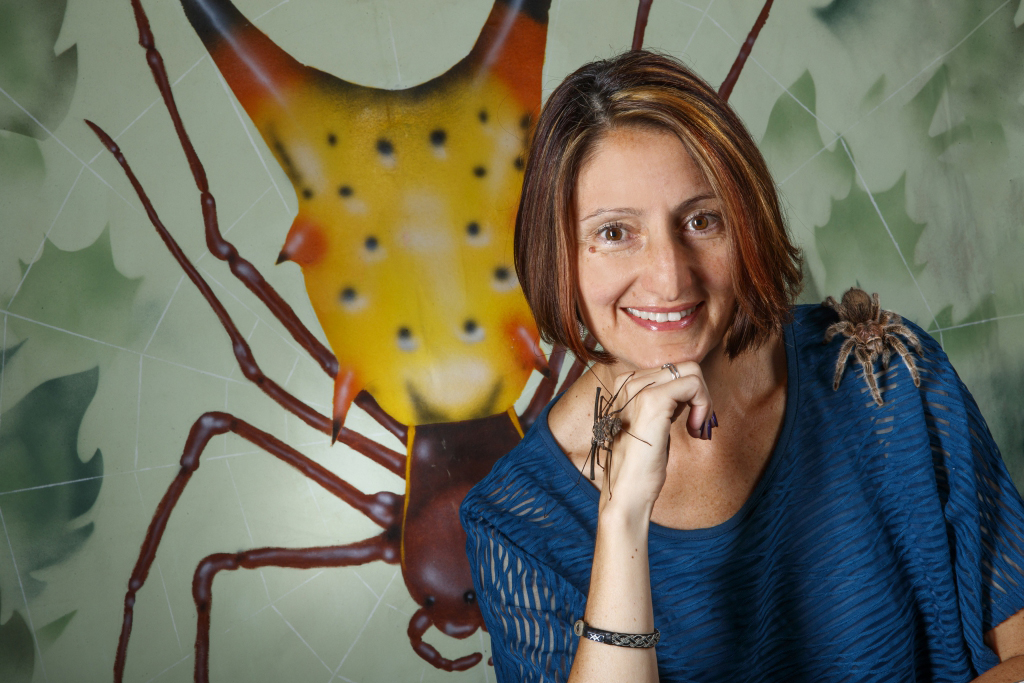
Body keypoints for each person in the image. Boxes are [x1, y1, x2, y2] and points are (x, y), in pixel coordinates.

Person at [459, 50, 1024, 682]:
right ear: (556, 255)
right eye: (615, 233)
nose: (670, 277)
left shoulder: (886, 377)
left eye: (702, 220)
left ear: (746, 223)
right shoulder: (516, 523)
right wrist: (621, 524)